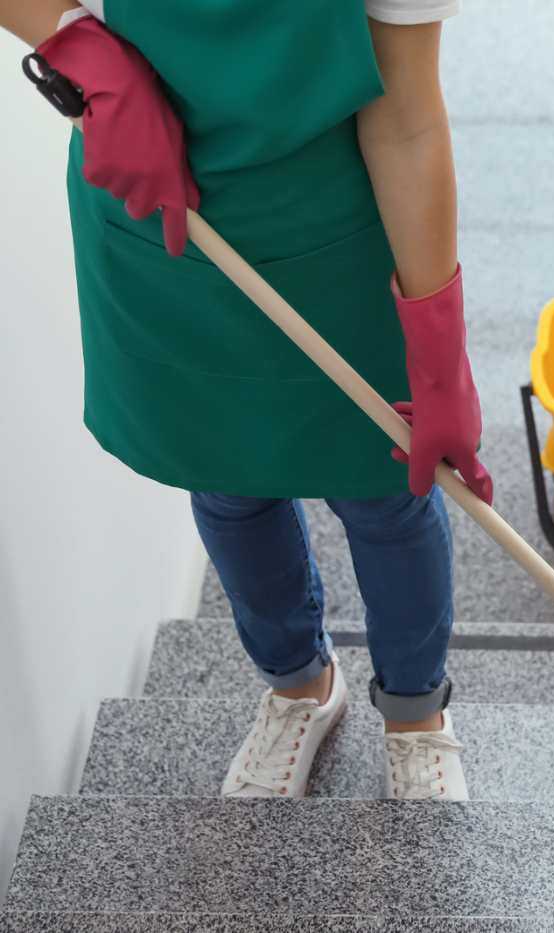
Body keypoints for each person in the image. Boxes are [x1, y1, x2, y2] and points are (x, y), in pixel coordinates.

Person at [1, 0, 491, 801]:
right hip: (166, 229)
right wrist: (74, 40)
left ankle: (415, 717)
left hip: (332, 222)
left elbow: (406, 119)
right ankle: (299, 685)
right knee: (228, 480)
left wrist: (437, 354)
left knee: (385, 487)